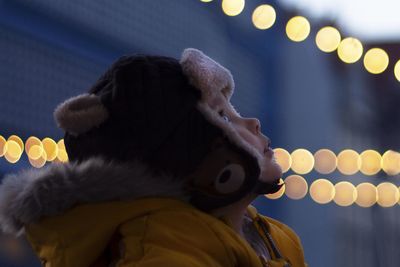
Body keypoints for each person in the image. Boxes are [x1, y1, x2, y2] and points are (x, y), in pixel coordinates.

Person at [0, 48, 307, 266]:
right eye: (223, 118)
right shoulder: (161, 250)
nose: (252, 122)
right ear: (190, 156)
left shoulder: (277, 238)